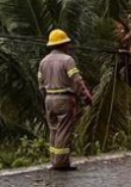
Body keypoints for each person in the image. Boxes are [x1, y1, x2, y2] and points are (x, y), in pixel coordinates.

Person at [38, 29, 93, 171]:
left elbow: (40, 83)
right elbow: (77, 80)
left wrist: (47, 97)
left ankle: (54, 160)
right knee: (63, 130)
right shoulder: (67, 60)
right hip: (64, 98)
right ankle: (61, 163)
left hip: (49, 99)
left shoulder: (43, 62)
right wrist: (86, 96)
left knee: (54, 130)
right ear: (63, 44)